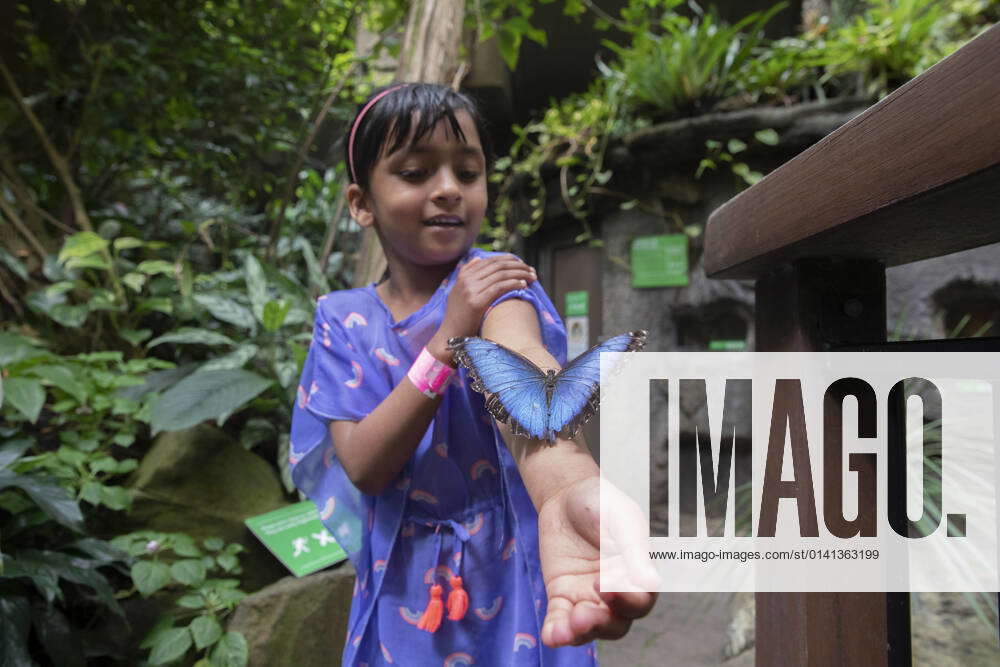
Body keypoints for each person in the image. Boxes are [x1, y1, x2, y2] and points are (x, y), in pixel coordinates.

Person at [289, 82, 656, 666]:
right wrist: (443, 344)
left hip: (513, 575)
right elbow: (363, 465)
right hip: (403, 576)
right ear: (361, 203)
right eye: (414, 173)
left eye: (468, 171)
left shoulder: (493, 285)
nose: (447, 190)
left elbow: (523, 369)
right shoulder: (343, 321)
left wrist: (563, 485)